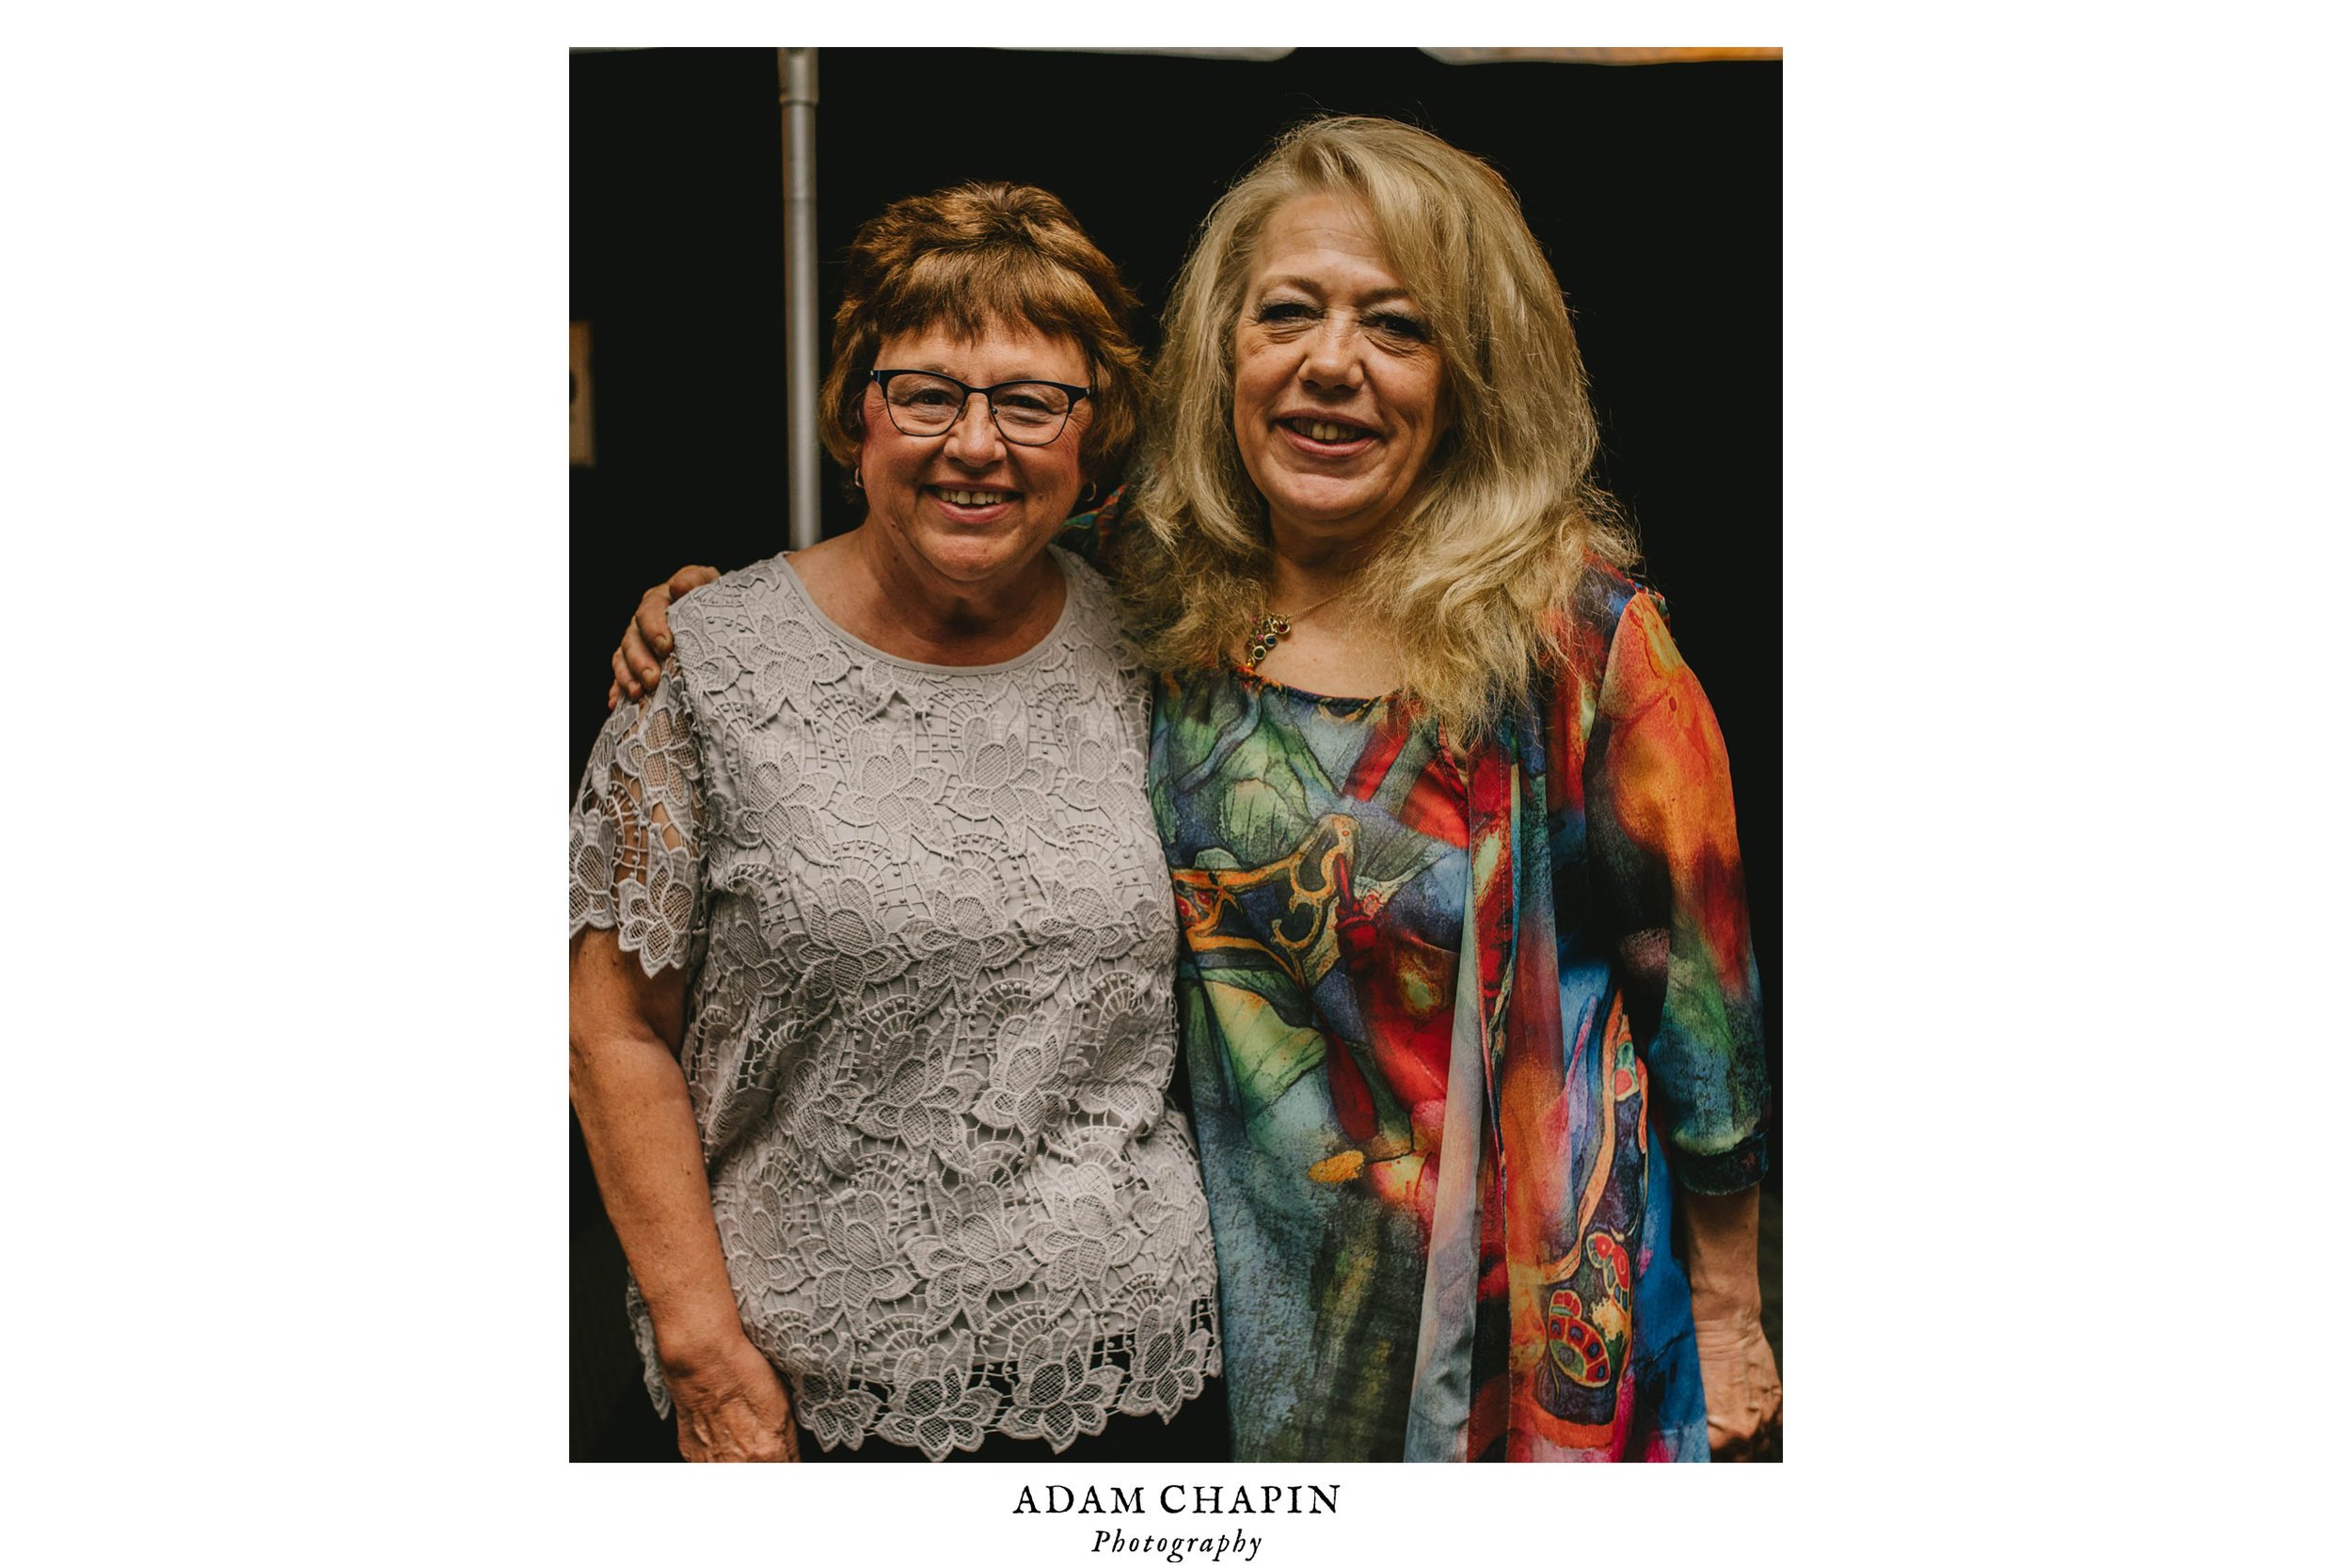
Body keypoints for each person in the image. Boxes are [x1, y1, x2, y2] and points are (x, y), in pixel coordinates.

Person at [612, 117, 1781, 1462]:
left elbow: (1703, 1005)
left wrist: (1737, 1308)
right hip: (1214, 1336)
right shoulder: (1143, 582)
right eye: (1288, 312)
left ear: (1472, 374)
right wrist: (712, 617)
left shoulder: (1578, 641)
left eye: (1395, 327)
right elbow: (935, 563)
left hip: (1515, 1327)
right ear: (1227, 347)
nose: (1330, 364)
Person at [569, 182, 1223, 1463]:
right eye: (927, 392)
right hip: (799, 1399)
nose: (975, 444)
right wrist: (702, 1350)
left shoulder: (1163, 649)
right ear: (854, 415)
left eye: (1031, 401)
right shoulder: (704, 669)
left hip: (1140, 1386)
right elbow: (610, 1031)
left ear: (1094, 438)